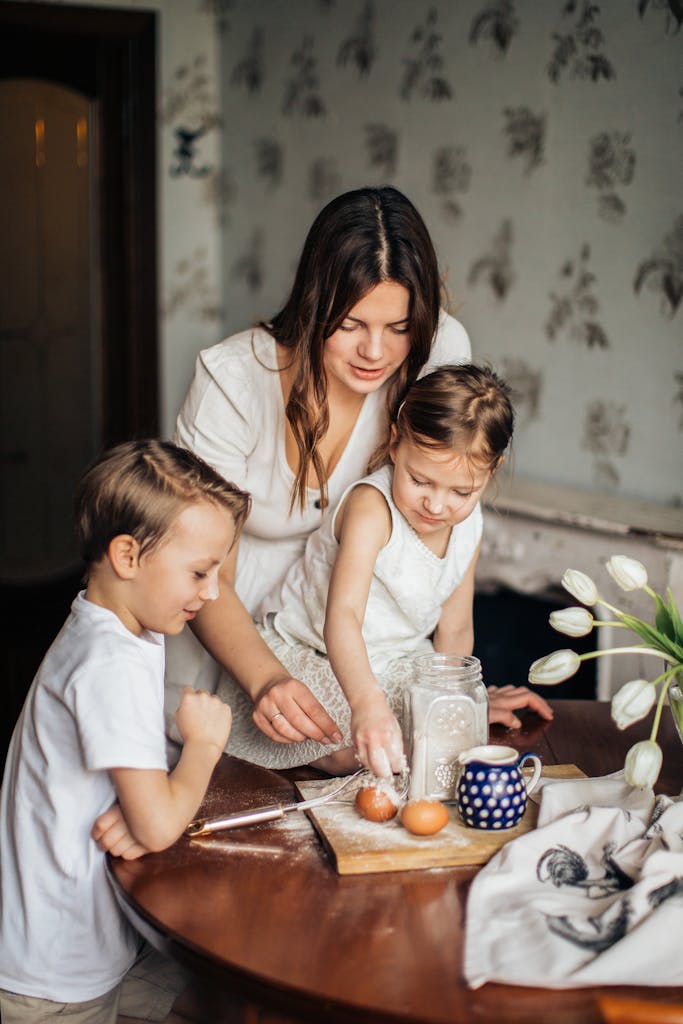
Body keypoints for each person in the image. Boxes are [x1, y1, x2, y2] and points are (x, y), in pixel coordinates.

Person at [164, 185, 475, 753]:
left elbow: (449, 518)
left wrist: (448, 694)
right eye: (351, 324)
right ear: (314, 302)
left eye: (398, 327)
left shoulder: (436, 352)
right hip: (219, 643)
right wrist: (267, 678)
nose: (375, 352)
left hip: (348, 662)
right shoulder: (232, 383)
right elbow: (201, 573)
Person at [0, 440, 249, 1024]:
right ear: (128, 556)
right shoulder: (107, 662)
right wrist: (204, 746)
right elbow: (159, 825)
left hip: (86, 943)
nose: (212, 593)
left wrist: (147, 804)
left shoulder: (121, 626)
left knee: (215, 997)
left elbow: (143, 804)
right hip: (54, 977)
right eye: (199, 572)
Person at [220, 365, 554, 777]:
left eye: (461, 492)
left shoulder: (471, 523)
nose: (436, 505)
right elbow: (342, 619)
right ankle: (327, 757)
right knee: (361, 743)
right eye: (420, 480)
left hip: (398, 662)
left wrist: (457, 702)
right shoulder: (371, 509)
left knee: (444, 734)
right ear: (396, 444)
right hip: (318, 653)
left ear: (493, 470)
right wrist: (366, 705)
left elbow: (455, 628)